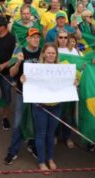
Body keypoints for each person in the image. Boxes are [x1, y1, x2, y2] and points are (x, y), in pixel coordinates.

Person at [22, 43, 63, 171]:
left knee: (50, 134)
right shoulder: (35, 68)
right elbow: (27, 82)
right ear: (44, 54)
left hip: (56, 106)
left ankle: (50, 158)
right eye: (49, 52)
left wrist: (74, 81)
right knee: (41, 134)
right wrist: (23, 79)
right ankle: (41, 161)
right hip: (40, 107)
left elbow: (72, 82)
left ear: (56, 55)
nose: (51, 55)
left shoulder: (62, 68)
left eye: (53, 53)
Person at [4, 28, 42, 165]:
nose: (35, 39)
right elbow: (12, 73)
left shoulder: (42, 52)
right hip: (22, 94)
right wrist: (19, 62)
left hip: (38, 94)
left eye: (37, 37)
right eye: (32, 37)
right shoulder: (20, 52)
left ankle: (33, 145)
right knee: (18, 122)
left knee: (36, 121)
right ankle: (13, 151)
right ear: (27, 39)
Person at [0, 15, 17, 130]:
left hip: (5, 73)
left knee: (6, 96)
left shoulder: (12, 39)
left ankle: (5, 117)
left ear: (3, 27)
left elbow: (15, 57)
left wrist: (3, 65)